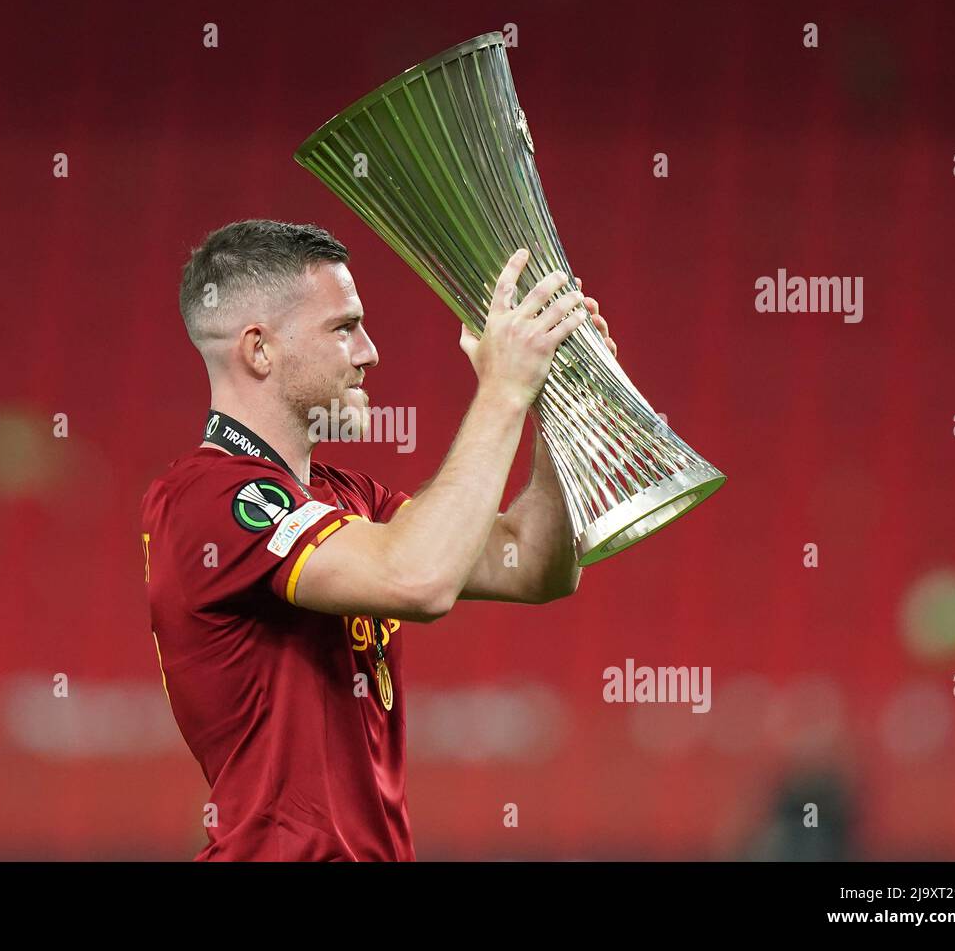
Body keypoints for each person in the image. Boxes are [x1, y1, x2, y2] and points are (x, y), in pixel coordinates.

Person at [139, 219, 617, 860]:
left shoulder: (345, 500)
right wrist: (502, 390)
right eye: (343, 327)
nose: (369, 351)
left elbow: (534, 564)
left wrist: (561, 406)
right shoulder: (210, 498)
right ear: (259, 350)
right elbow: (417, 580)